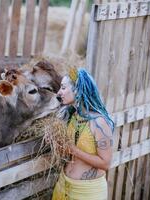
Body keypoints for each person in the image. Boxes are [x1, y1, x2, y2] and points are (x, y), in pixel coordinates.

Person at [52, 67, 115, 200]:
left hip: (87, 193)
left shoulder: (99, 122)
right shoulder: (72, 116)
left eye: (63, 88)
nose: (58, 93)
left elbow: (106, 163)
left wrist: (73, 150)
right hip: (63, 185)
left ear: (78, 90)